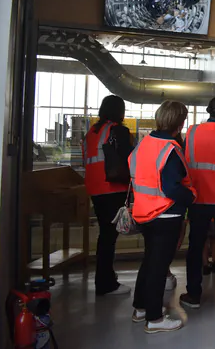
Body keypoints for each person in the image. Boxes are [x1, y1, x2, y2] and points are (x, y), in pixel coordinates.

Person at [131, 100, 196, 334]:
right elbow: (171, 187)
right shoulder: (170, 149)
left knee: (149, 262)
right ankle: (155, 319)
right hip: (165, 215)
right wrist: (191, 197)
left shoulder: (145, 143)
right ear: (179, 123)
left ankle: (140, 308)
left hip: (144, 212)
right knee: (158, 267)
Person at [180, 96, 215, 310]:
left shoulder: (192, 132)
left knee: (195, 245)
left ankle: (194, 294)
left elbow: (185, 163)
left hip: (197, 198)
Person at [81, 95, 134, 296]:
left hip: (95, 189)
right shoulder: (117, 131)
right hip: (113, 189)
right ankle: (106, 283)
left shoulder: (92, 133)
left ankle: (105, 279)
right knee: (109, 237)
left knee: (105, 236)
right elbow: (130, 158)